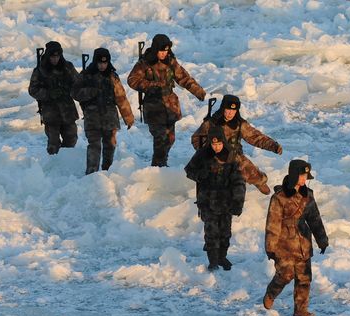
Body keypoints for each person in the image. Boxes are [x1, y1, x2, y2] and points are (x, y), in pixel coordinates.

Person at [263, 159, 328, 316]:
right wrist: (270, 247)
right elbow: (273, 223)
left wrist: (322, 240)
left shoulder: (308, 195)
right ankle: (271, 293)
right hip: (283, 244)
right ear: (293, 175)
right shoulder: (279, 197)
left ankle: (300, 310)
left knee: (304, 278)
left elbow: (314, 218)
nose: (305, 178)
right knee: (285, 275)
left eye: (306, 176)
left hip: (303, 243)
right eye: (302, 175)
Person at [127, 34, 206, 167]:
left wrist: (198, 91)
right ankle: (159, 167)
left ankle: (162, 164)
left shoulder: (171, 62)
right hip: (154, 107)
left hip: (170, 107)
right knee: (160, 140)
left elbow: (184, 78)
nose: (164, 54)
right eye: (161, 51)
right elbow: (132, 80)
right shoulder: (145, 63)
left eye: (166, 51)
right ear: (155, 49)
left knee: (170, 139)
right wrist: (152, 86)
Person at [190, 95, 282, 195]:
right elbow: (196, 138)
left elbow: (256, 137)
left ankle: (259, 182)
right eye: (228, 109)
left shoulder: (239, 124)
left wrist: (273, 146)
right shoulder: (211, 123)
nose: (230, 113)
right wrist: (206, 150)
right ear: (223, 108)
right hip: (214, 156)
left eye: (233, 110)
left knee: (250, 170)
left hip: (234, 155)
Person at [184, 127, 246, 271]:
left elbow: (239, 181)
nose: (216, 147)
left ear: (223, 142)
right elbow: (189, 171)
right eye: (214, 144)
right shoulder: (202, 155)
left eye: (219, 144)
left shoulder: (231, 156)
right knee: (211, 232)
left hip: (226, 201)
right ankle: (213, 260)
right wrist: (200, 175)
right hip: (207, 201)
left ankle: (222, 257)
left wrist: (238, 202)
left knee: (225, 232)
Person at [71, 48, 135, 174]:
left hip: (110, 118)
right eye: (100, 63)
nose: (102, 66)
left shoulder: (112, 77)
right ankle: (91, 174)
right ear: (95, 62)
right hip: (92, 118)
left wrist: (128, 117)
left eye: (105, 63)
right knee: (94, 147)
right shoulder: (85, 75)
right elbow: (74, 92)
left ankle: (107, 172)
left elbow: (121, 98)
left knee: (110, 146)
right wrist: (91, 91)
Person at [28, 41, 80, 155]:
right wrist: (49, 93)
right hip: (50, 113)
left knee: (71, 139)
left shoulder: (68, 67)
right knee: (53, 144)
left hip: (68, 111)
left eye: (57, 56)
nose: (55, 59)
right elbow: (32, 90)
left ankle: (65, 161)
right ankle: (54, 163)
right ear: (48, 56)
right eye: (52, 57)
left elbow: (78, 84)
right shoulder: (40, 70)